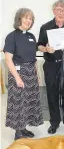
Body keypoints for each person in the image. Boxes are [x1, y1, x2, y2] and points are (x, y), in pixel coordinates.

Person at [38, 0, 64, 135]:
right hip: (51, 65)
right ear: (54, 10)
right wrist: (46, 48)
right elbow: (39, 45)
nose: (61, 12)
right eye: (59, 9)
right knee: (52, 95)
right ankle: (54, 123)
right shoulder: (45, 27)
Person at [3, 8, 44, 140]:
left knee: (28, 102)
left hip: (31, 72)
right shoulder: (11, 36)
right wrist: (17, 78)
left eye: (30, 19)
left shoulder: (31, 37)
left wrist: (37, 75)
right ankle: (18, 133)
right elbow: (8, 59)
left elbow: (33, 58)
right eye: (26, 17)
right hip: (18, 73)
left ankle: (24, 128)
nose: (28, 20)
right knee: (19, 103)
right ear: (19, 19)